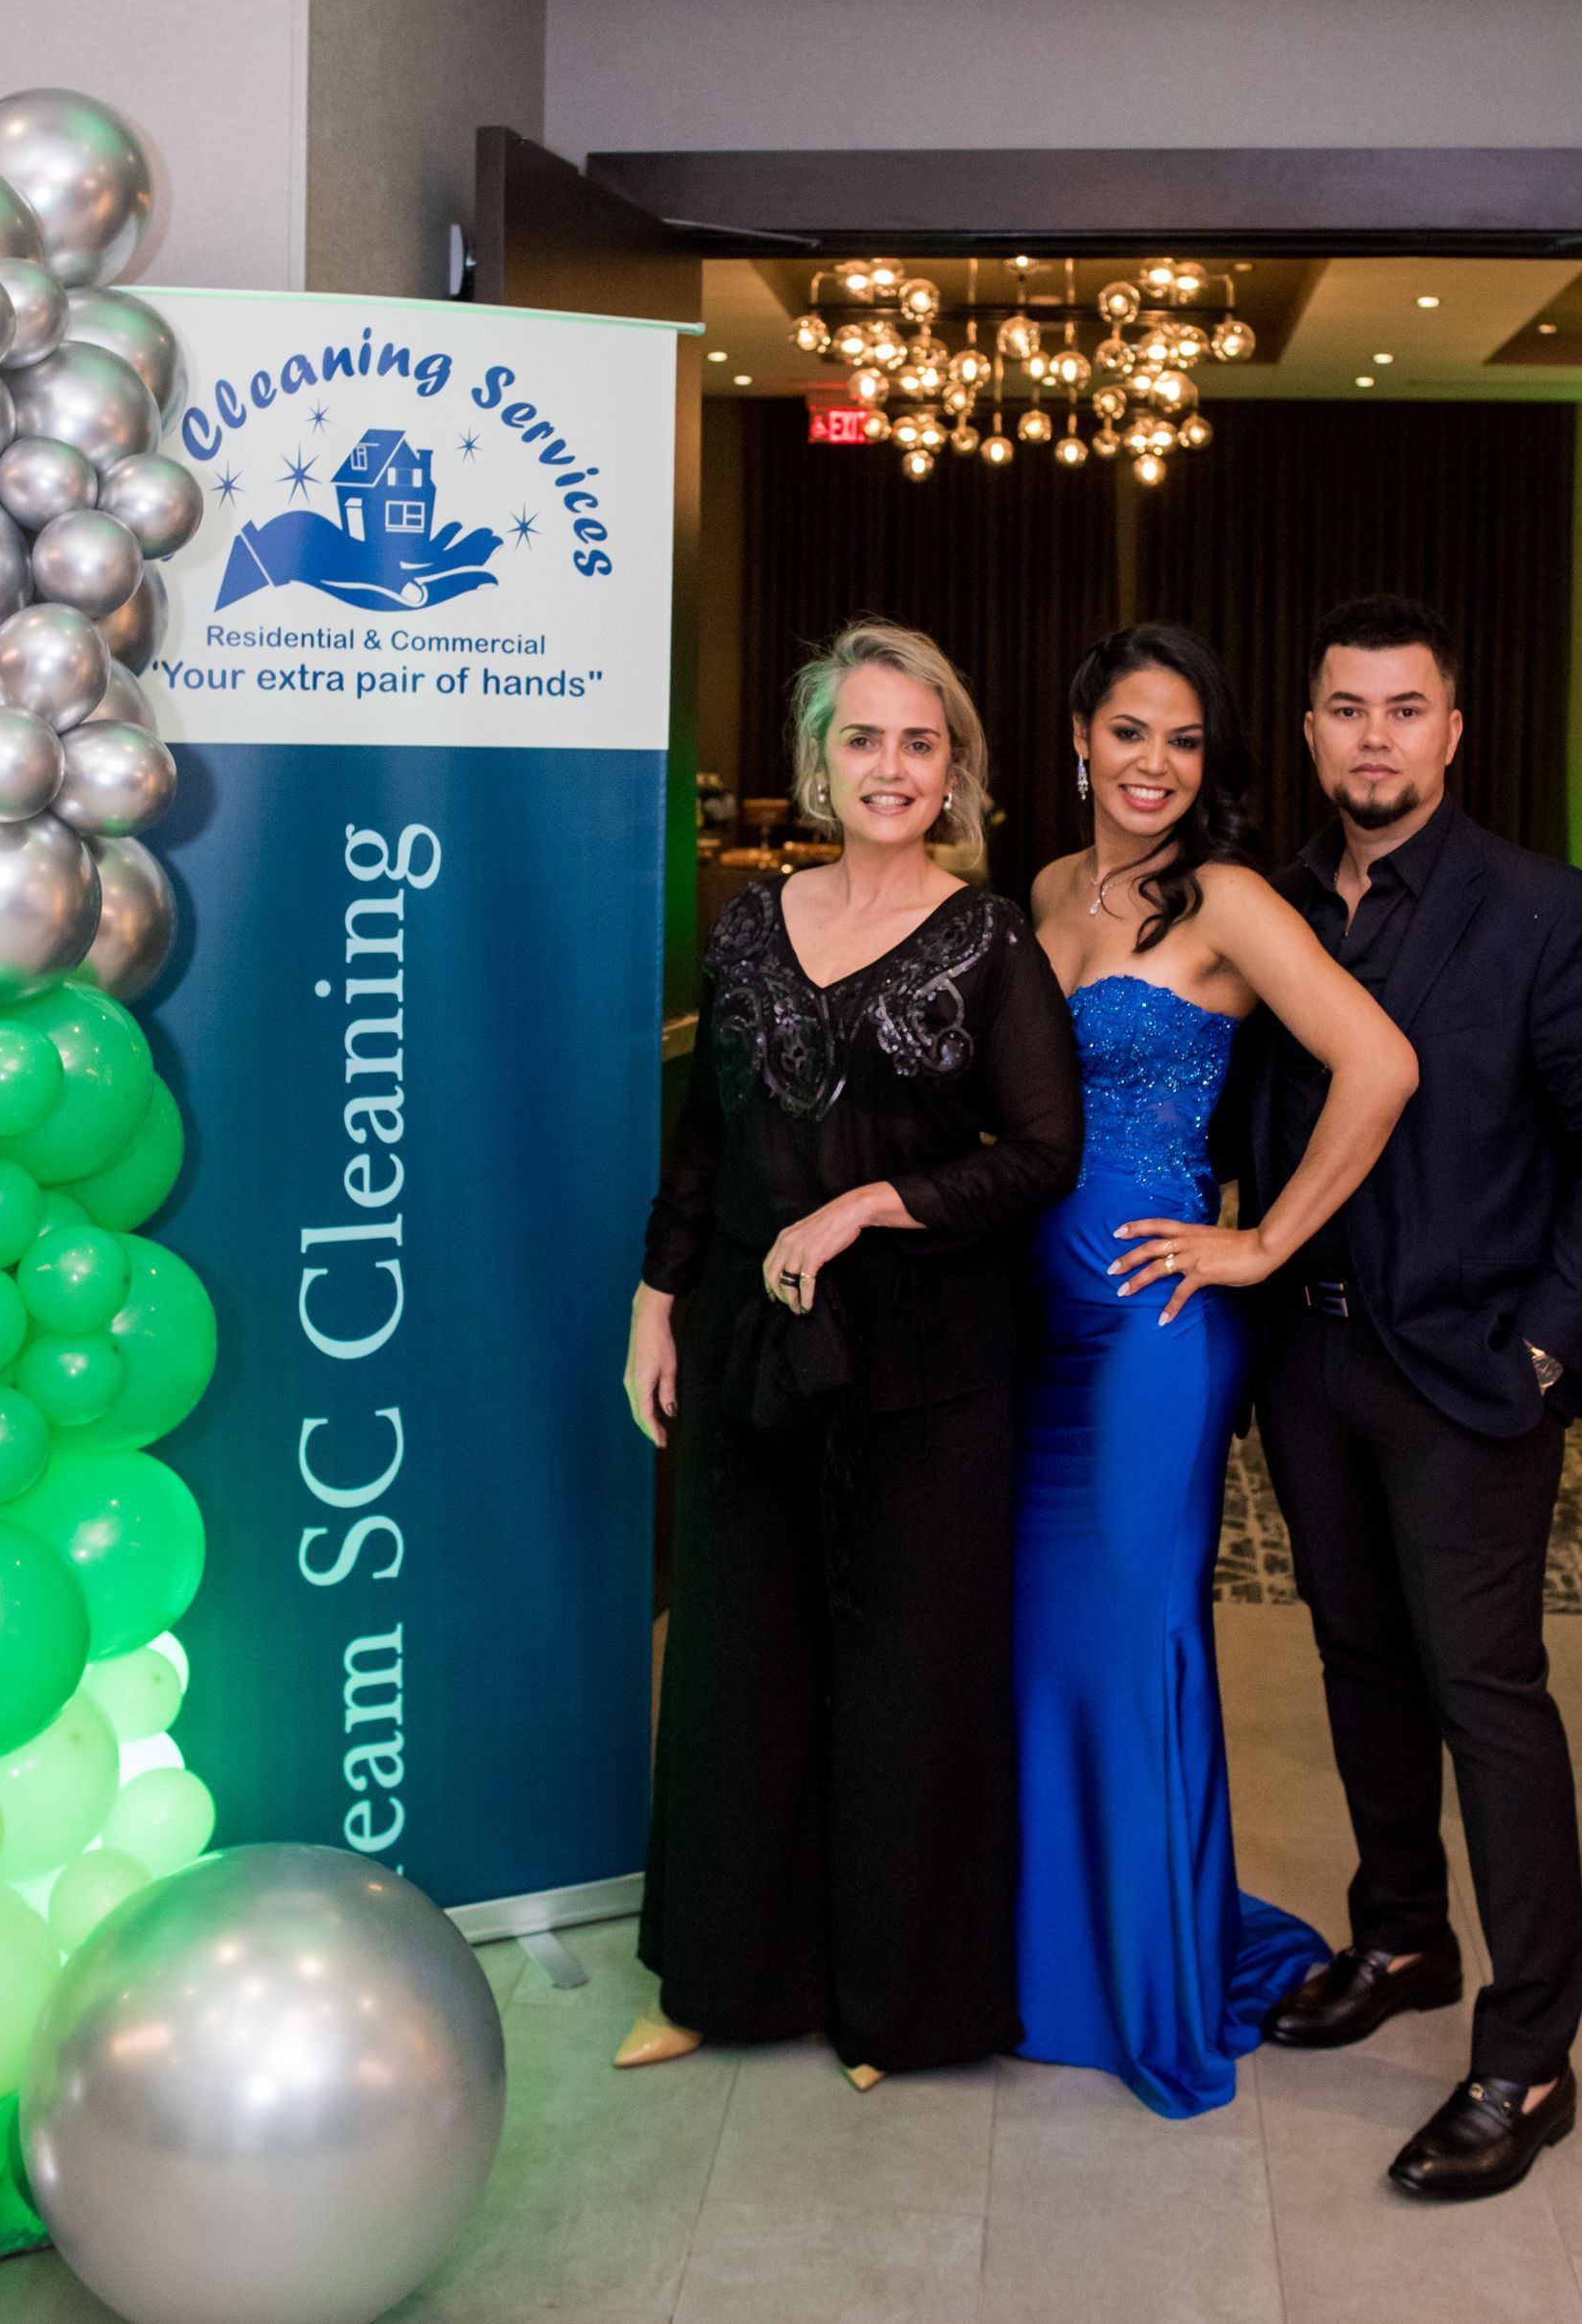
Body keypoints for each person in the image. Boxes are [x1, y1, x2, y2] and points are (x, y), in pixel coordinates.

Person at [1236, 592, 1582, 2200]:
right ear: (1308, 729)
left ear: (1453, 728)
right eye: (1345, 708)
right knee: (1358, 1664)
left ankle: (1528, 2056)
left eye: (1403, 709)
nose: (1373, 737)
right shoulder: (1274, 900)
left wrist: (1550, 1355)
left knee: (1487, 1697)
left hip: (1475, 1374)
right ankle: (1402, 1940)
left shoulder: (1551, 916)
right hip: (1312, 1355)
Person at [621, 618, 1083, 2088]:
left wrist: (876, 1204)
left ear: (957, 770)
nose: (891, 767)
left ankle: (894, 2003)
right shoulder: (753, 922)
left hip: (928, 1363)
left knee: (906, 1680)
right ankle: (718, 1980)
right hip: (751, 1342)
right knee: (735, 1665)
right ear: (819, 762)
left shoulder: (996, 939)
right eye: (862, 739)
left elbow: (1045, 1156)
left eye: (919, 742)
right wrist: (654, 1301)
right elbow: (708, 1138)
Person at [1015, 621, 1419, 2115]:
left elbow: (1380, 1066)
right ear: (1078, 737)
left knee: (1128, 1648)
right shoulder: (1050, 889)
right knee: (1037, 1648)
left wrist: (1259, 1245)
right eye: (1132, 733)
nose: (1156, 766)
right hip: (1027, 1325)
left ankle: (1140, 1977)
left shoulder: (1232, 899)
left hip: (1147, 1331)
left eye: (1186, 741)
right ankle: (1047, 1950)